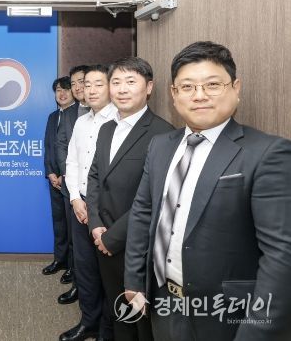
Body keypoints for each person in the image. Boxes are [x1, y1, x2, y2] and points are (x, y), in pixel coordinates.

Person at [124, 41, 291, 341]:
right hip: (162, 300)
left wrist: (257, 331)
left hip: (226, 314)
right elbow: (142, 213)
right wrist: (134, 281)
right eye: (187, 87)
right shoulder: (160, 146)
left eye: (213, 84)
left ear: (236, 88)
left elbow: (281, 255)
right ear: (174, 94)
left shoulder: (267, 153)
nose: (199, 95)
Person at [87, 57, 173, 341]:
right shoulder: (106, 129)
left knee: (143, 321)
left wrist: (112, 237)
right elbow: (95, 178)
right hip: (102, 238)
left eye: (130, 82)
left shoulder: (163, 134)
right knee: (118, 314)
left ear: (149, 87)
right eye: (116, 82)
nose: (122, 89)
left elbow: (155, 198)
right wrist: (95, 225)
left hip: (137, 246)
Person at [60, 65, 116, 341]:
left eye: (98, 84)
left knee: (108, 273)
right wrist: (74, 198)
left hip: (106, 209)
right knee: (85, 269)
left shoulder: (119, 120)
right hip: (79, 205)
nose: (89, 90)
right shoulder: (81, 122)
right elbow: (71, 162)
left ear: (111, 87)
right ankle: (88, 322)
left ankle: (108, 328)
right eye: (86, 85)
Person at [56, 65, 90, 304]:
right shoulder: (69, 114)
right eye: (74, 83)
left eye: (82, 82)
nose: (77, 87)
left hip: (99, 194)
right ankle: (78, 286)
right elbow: (61, 146)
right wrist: (69, 178)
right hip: (74, 190)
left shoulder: (110, 113)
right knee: (78, 245)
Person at [42, 76, 74, 278]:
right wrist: (50, 173)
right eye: (58, 90)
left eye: (66, 89)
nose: (62, 94)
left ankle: (73, 265)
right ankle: (60, 259)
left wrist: (65, 174)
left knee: (72, 226)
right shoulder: (53, 116)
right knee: (59, 222)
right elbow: (48, 146)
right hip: (55, 180)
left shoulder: (79, 115)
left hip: (71, 180)